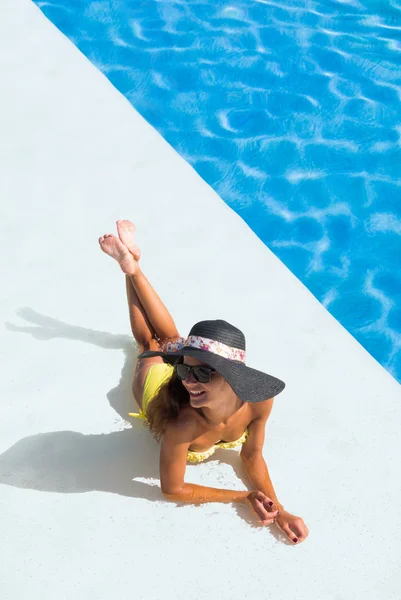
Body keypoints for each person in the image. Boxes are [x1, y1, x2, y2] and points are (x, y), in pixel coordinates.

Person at [99, 220, 309, 544]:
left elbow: (251, 457)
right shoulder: (182, 424)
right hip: (155, 386)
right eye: (185, 369)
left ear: (233, 377)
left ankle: (133, 264)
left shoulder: (260, 404)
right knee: (149, 345)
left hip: (185, 379)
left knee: (169, 337)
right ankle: (130, 268)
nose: (188, 382)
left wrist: (279, 510)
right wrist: (241, 497)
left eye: (202, 372)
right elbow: (173, 489)